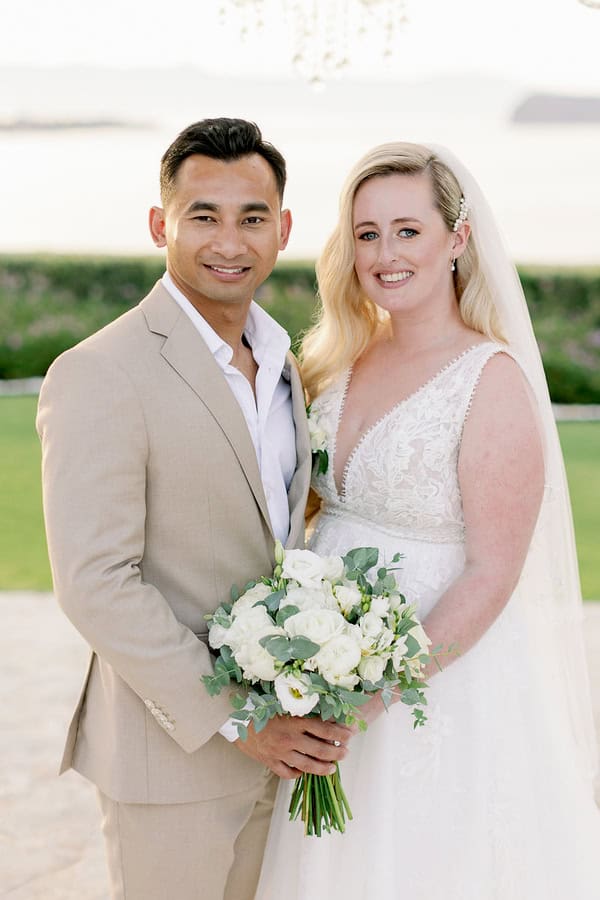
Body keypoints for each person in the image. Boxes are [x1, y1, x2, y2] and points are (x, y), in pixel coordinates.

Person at [255, 142, 600, 899]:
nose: (386, 254)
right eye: (368, 234)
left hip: (434, 691)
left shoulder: (490, 380)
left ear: (457, 238)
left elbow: (493, 572)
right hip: (324, 676)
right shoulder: (338, 360)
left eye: (408, 230)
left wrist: (374, 697)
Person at [36, 118, 351, 900]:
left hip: (283, 754)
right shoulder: (99, 372)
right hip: (170, 762)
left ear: (283, 230)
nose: (229, 242)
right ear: (160, 225)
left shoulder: (284, 362)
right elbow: (95, 582)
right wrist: (242, 719)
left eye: (252, 218)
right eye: (203, 216)